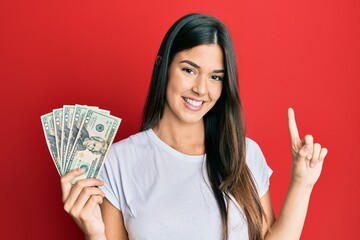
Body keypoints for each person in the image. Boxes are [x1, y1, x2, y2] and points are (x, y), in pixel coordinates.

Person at [60, 13, 328, 240]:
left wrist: (302, 183)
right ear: (162, 66)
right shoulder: (118, 161)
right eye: (189, 70)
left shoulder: (244, 153)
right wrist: (95, 234)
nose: (201, 88)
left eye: (215, 77)